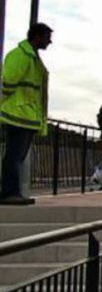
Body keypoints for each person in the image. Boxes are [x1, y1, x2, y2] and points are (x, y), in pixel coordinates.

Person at [0, 23, 52, 205]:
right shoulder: (21, 56)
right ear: (37, 37)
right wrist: (9, 102)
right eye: (47, 37)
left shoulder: (31, 57)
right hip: (18, 113)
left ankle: (13, 192)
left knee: (17, 156)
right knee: (14, 156)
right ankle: (9, 193)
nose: (50, 42)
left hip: (26, 114)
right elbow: (8, 81)